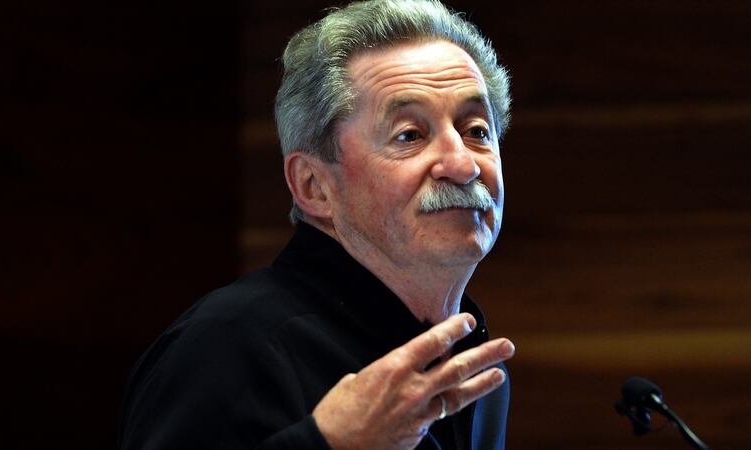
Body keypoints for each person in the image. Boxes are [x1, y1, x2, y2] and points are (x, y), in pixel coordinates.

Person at [118, 0, 515, 449]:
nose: (463, 165)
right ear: (314, 186)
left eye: (477, 130)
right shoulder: (226, 347)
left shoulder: (477, 363)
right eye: (410, 135)